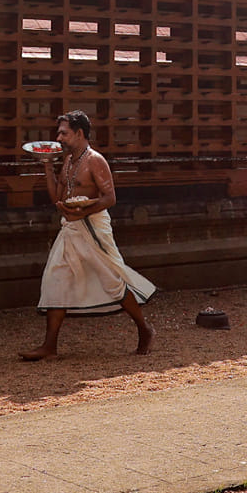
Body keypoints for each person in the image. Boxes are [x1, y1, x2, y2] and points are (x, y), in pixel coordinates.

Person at [19, 110, 155, 360]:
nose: (58, 138)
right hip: (70, 226)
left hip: (92, 226)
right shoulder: (69, 161)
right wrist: (48, 167)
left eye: (63, 133)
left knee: (112, 280)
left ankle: (144, 329)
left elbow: (110, 198)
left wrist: (82, 211)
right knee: (55, 278)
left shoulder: (95, 160)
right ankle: (50, 346)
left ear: (79, 133)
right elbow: (58, 199)